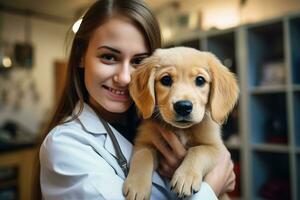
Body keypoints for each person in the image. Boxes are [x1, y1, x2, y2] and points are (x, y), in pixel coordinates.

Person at [38, 0, 235, 199]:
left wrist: (196, 162)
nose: (125, 78)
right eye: (108, 57)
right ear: (81, 56)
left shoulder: (141, 118)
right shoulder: (65, 147)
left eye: (139, 61)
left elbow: (214, 152)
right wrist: (212, 186)